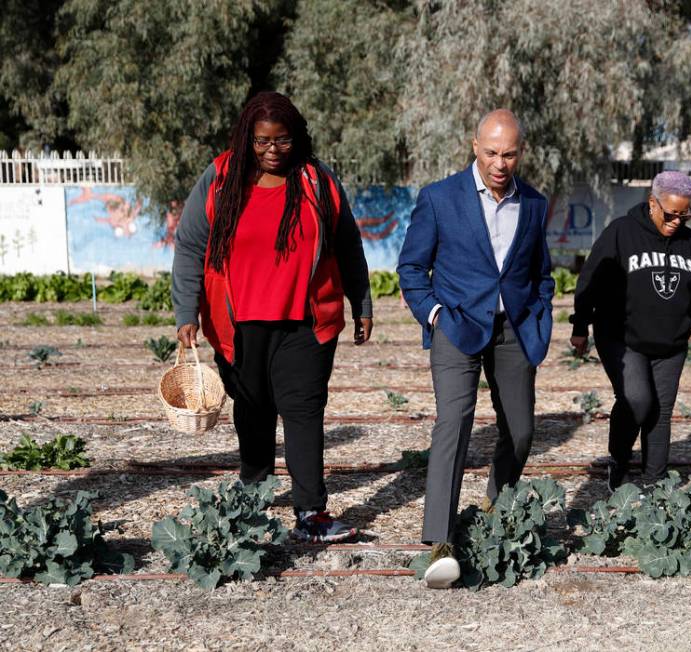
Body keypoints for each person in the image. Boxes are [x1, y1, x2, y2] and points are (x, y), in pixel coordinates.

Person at [171, 91, 372, 543]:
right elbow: (189, 246)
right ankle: (252, 501)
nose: (272, 151)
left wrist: (363, 302)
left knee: (303, 412)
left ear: (296, 137)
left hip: (306, 323)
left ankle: (311, 513)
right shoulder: (221, 179)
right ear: (248, 139)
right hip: (237, 325)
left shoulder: (316, 180)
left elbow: (347, 243)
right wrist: (186, 310)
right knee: (253, 413)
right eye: (262, 142)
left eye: (282, 140)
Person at [397, 109, 554, 588]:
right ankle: (440, 542)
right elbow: (411, 270)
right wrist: (435, 314)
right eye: (491, 152)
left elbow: (540, 272)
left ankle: (495, 507)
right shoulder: (440, 198)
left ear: (520, 152)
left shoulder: (534, 203)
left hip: (514, 330)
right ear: (474, 146)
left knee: (522, 431)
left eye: (508, 153)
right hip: (456, 325)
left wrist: (540, 314)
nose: (500, 163)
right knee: (455, 420)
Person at [570, 171, 691, 491]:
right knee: (638, 401)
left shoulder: (688, 242)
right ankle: (618, 460)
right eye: (671, 214)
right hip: (622, 337)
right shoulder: (621, 232)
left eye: (684, 214)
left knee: (661, 411)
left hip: (671, 343)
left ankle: (653, 484)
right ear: (652, 204)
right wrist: (580, 325)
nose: (677, 220)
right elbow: (591, 280)